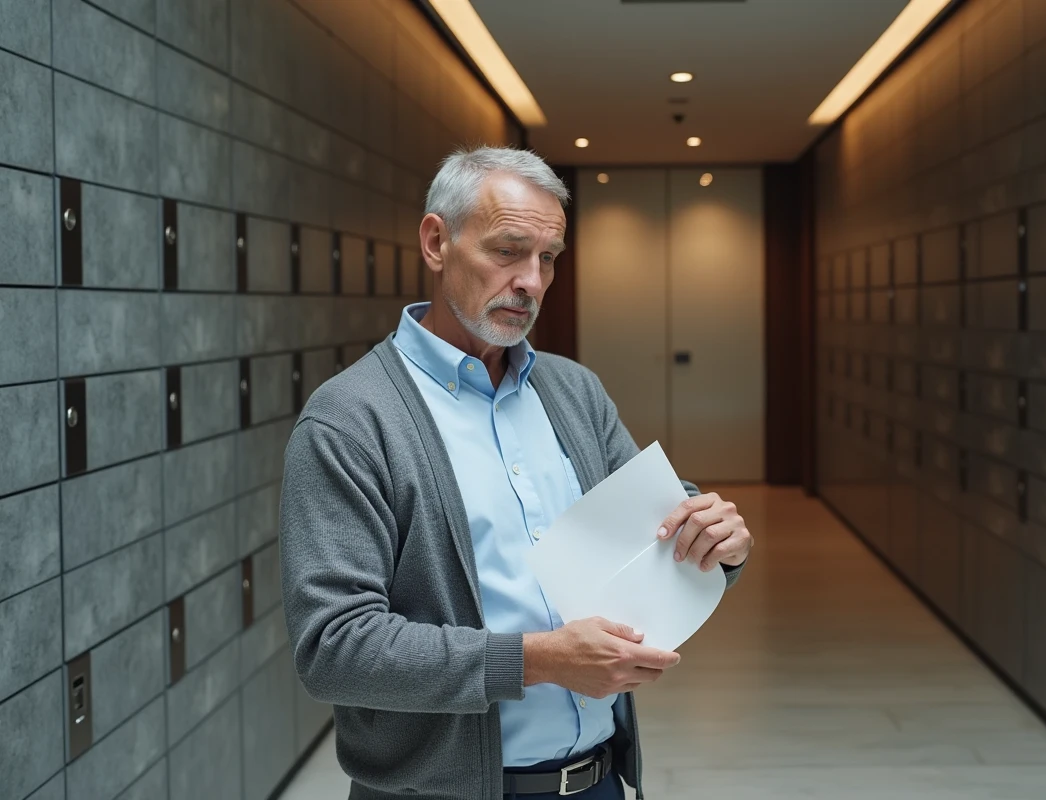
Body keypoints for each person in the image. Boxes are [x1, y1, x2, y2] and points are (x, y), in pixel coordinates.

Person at [278, 146, 753, 800]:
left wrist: (712, 537)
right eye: (508, 251)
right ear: (436, 242)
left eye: (549, 257)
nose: (531, 280)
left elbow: (652, 522)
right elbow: (335, 647)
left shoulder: (572, 390)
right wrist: (539, 660)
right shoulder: (353, 420)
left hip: (597, 782)